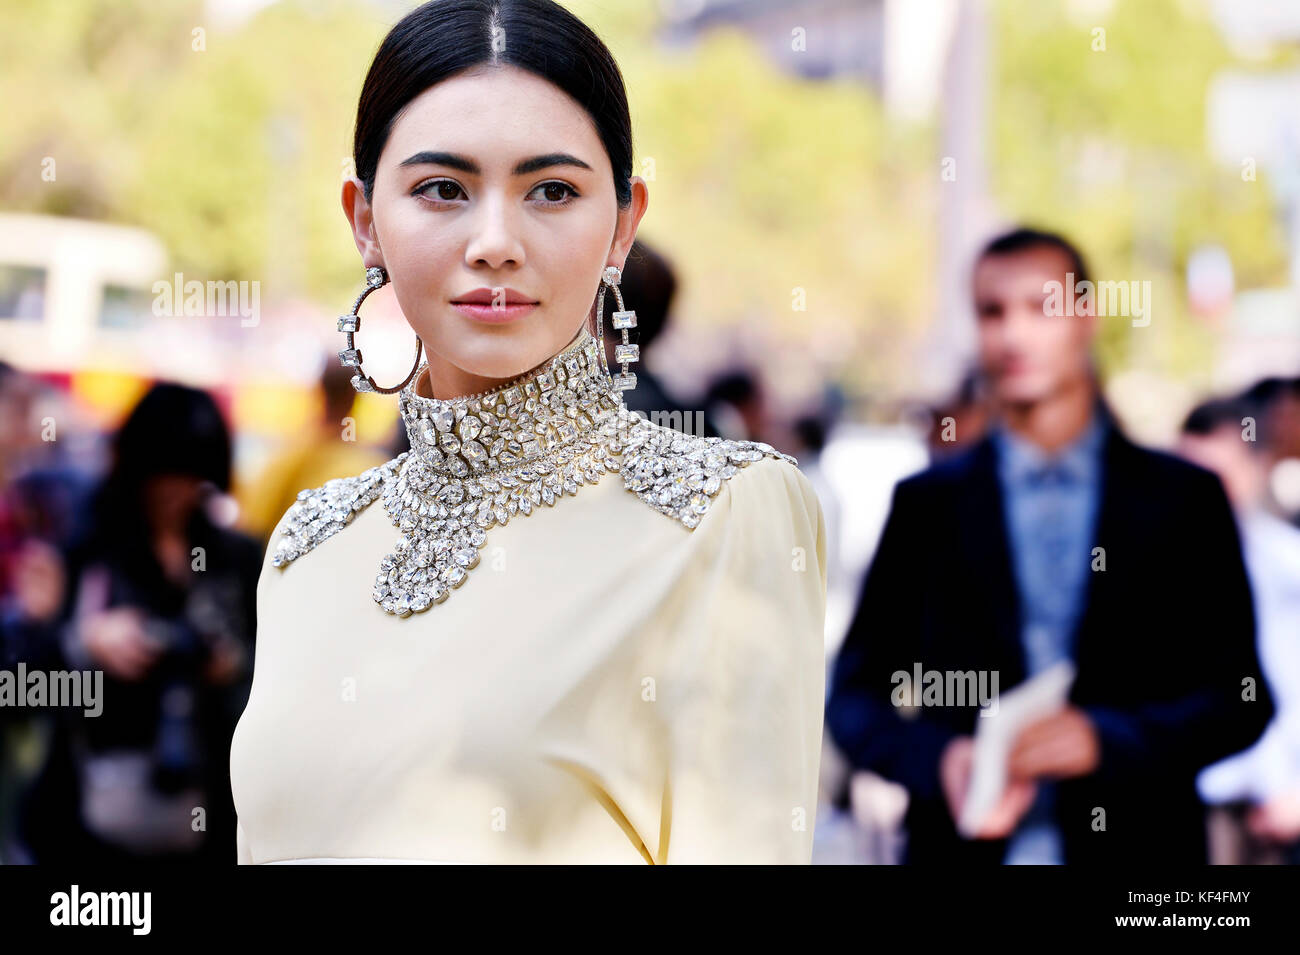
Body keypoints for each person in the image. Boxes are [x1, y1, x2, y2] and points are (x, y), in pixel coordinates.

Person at [230, 0, 827, 865]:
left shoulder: (725, 515)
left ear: (623, 222)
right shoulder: (307, 543)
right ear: (365, 220)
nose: (496, 241)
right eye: (443, 189)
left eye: (552, 190)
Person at [825, 227, 1273, 864]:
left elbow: (1242, 697)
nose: (1014, 335)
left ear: (1086, 317)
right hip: (964, 845)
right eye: (992, 312)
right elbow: (854, 695)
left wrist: (1107, 739)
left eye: (1042, 308)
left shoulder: (1183, 499)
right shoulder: (927, 505)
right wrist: (937, 759)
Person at [20, 383, 260, 864]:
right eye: (163, 475)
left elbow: (272, 671)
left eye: (191, 477)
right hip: (83, 811)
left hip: (207, 803)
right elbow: (21, 684)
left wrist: (231, 666)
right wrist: (83, 639)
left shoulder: (236, 557)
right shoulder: (84, 551)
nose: (175, 492)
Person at [1178, 396, 1300, 864]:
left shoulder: (1286, 568)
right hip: (1196, 800)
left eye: (1219, 477)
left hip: (1275, 805)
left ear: (1257, 467)